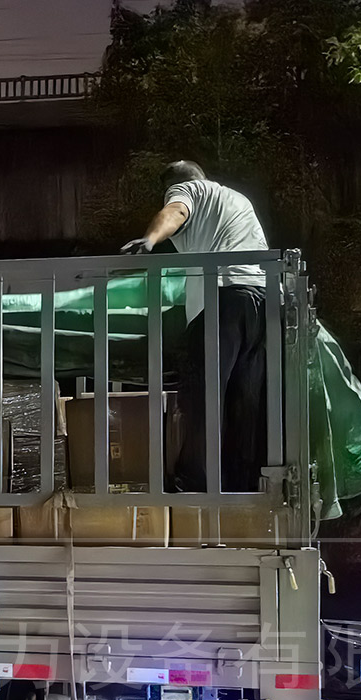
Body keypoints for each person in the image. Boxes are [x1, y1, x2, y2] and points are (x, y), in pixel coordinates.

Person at [123, 159, 271, 493]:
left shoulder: (188, 190)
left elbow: (175, 211)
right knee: (245, 401)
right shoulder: (238, 199)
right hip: (260, 302)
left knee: (203, 394)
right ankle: (242, 484)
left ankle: (195, 480)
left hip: (223, 300)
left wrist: (150, 239)